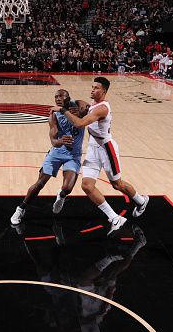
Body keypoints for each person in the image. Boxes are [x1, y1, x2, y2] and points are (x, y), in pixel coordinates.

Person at [51, 77, 149, 235]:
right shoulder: (93, 105)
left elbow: (79, 123)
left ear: (104, 91)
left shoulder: (102, 108)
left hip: (106, 148)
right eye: (92, 87)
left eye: (96, 88)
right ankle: (114, 218)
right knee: (86, 186)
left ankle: (141, 200)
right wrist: (68, 104)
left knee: (117, 184)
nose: (92, 90)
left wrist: (62, 110)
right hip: (93, 147)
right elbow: (78, 106)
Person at [10, 89, 89, 225]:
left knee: (67, 188)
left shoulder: (77, 106)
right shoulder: (53, 116)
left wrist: (80, 106)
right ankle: (21, 208)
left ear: (68, 98)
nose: (57, 99)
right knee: (40, 183)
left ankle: (62, 195)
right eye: (55, 97)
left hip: (73, 155)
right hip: (56, 153)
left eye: (61, 97)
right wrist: (61, 141)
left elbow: (86, 106)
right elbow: (53, 141)